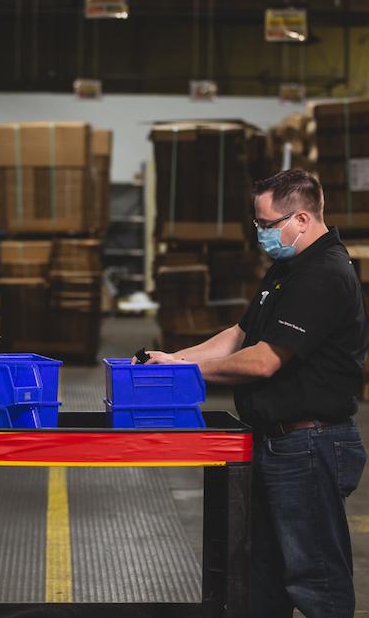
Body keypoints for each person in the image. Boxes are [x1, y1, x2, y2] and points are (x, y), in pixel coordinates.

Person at [138, 169, 367, 618]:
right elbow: (239, 333)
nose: (260, 234)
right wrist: (173, 360)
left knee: (315, 576)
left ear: (301, 218)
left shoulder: (323, 275)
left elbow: (264, 360)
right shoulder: (287, 268)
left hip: (309, 444)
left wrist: (193, 374)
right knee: (263, 576)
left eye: (266, 224)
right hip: (274, 441)